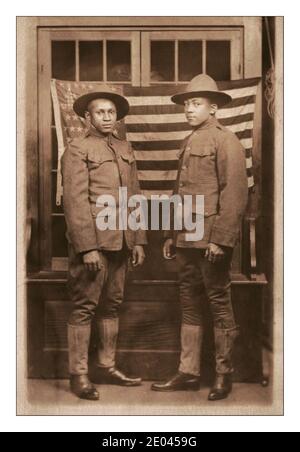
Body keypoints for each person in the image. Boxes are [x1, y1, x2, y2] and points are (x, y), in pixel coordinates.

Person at [151, 74, 248, 401]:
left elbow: (234, 194)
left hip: (210, 238)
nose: (189, 110)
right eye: (187, 104)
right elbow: (179, 192)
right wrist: (170, 233)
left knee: (218, 301)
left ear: (214, 107)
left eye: (196, 103)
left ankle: (224, 374)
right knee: (189, 302)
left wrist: (220, 240)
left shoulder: (226, 141)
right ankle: (188, 372)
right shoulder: (189, 141)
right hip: (186, 237)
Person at [61, 87, 147, 400]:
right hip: (94, 245)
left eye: (111, 112)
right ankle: (79, 374)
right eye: (100, 112)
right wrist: (87, 248)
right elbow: (75, 202)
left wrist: (138, 240)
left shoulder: (124, 146)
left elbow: (134, 195)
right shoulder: (77, 149)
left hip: (122, 242)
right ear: (87, 116)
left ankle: (106, 366)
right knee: (85, 306)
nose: (107, 117)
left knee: (112, 304)